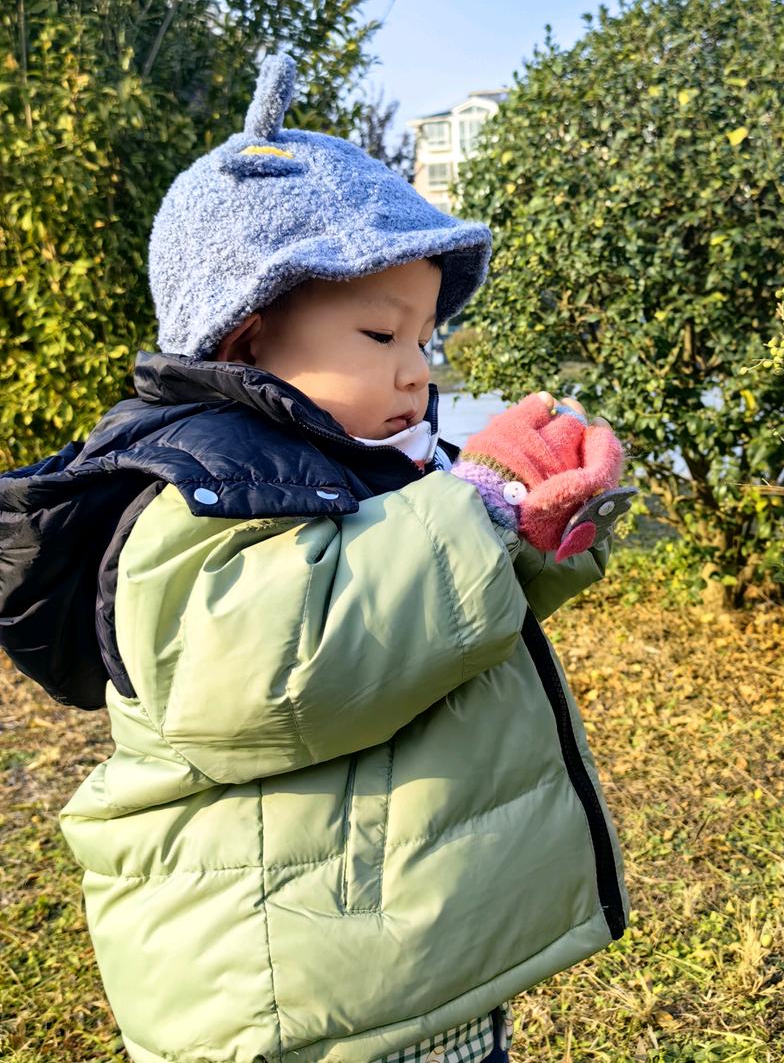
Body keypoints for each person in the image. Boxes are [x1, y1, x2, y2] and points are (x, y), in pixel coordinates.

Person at [0, 52, 632, 1062]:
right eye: (382, 331)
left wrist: (531, 534)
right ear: (247, 339)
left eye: (426, 338)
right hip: (292, 995)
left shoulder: (354, 455)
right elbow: (273, 677)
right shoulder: (195, 485)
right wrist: (476, 510)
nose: (416, 372)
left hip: (385, 962)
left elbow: (410, 629)